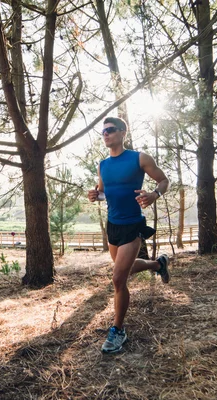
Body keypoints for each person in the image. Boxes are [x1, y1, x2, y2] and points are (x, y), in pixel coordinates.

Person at [88, 116, 171, 354]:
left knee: (117, 279)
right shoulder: (103, 165)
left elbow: (164, 180)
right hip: (112, 224)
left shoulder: (139, 158)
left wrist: (154, 194)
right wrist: (95, 196)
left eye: (110, 130)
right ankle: (158, 264)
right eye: (103, 132)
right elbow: (104, 193)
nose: (105, 134)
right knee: (124, 268)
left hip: (132, 225)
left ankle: (118, 330)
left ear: (123, 132)